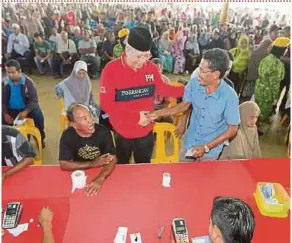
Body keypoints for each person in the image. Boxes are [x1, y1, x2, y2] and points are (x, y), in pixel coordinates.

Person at [100, 27, 184, 164]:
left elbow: (163, 88)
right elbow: (106, 105)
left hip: (145, 132)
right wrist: (135, 117)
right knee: (122, 167)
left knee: (143, 167)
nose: (143, 61)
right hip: (122, 131)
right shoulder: (111, 70)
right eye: (139, 56)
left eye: (147, 55)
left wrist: (187, 90)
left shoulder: (150, 67)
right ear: (127, 50)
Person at [149, 48, 239, 161]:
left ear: (216, 74)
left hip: (211, 151)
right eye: (199, 68)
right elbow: (184, 105)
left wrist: (206, 147)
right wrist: (157, 113)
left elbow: (233, 129)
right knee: (181, 173)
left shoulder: (230, 96)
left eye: (202, 71)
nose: (198, 73)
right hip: (190, 141)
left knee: (202, 177)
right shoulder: (194, 83)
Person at [59, 104, 116, 196]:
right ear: (74, 124)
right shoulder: (67, 136)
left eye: (90, 115)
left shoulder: (103, 132)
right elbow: (64, 164)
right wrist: (92, 163)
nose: (91, 121)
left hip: (101, 169)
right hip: (79, 171)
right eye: (84, 118)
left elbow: (112, 158)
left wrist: (100, 178)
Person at [2, 59, 46, 147]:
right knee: (2, 121)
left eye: (13, 72)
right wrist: (5, 113)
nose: (10, 75)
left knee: (38, 117)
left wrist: (26, 111)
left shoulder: (28, 82)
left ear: (19, 71)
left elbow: (34, 100)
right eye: (8, 72)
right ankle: (6, 142)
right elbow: (2, 100)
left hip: (27, 109)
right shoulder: (4, 83)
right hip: (11, 110)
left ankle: (40, 138)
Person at [255, 37, 290, 124]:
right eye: (286, 49)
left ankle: (257, 122)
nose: (286, 51)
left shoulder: (266, 58)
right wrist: (275, 98)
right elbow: (275, 84)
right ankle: (256, 127)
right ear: (281, 50)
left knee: (257, 108)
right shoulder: (278, 64)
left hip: (259, 89)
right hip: (268, 93)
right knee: (264, 111)